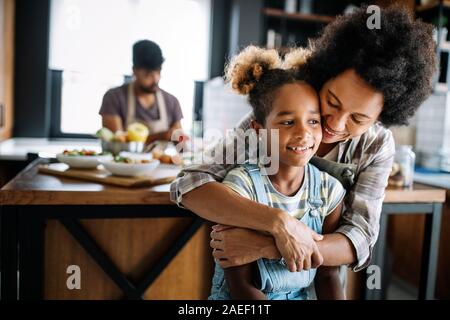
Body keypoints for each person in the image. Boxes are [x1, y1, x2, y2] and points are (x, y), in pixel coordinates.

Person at [170, 6, 436, 280]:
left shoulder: (376, 145)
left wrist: (270, 246)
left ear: (382, 117)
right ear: (324, 75)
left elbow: (360, 239)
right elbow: (191, 185)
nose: (336, 123)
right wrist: (278, 223)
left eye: (358, 118)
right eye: (332, 102)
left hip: (318, 282)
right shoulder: (283, 115)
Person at [209, 46, 346, 300]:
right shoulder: (242, 187)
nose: (304, 133)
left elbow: (328, 275)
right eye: (287, 122)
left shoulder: (329, 191)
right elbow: (241, 287)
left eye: (313, 121)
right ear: (259, 130)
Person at [99, 40, 183, 144]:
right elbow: (118, 142)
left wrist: (179, 139)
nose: (155, 79)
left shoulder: (171, 102)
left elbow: (181, 146)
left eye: (158, 71)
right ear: (134, 71)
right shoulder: (114, 98)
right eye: (148, 74)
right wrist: (161, 136)